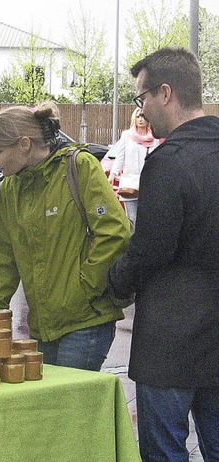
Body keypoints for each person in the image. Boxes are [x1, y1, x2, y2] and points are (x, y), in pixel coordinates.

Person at [108, 47, 219, 461]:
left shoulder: (169, 162)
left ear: (166, 93)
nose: (141, 108)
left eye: (141, 97)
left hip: (172, 341)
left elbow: (149, 251)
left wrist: (113, 284)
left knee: (165, 452)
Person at [0, 102, 130, 371]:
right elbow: (2, 257)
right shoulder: (10, 189)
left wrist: (84, 288)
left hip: (86, 321)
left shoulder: (80, 166)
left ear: (24, 144)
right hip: (43, 327)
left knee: (73, 409)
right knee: (52, 407)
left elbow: (114, 231)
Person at [107, 107, 161, 229]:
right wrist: (112, 175)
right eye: (138, 117)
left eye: (143, 117)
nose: (141, 120)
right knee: (132, 218)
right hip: (130, 182)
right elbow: (120, 157)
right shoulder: (127, 135)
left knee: (147, 217)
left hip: (148, 182)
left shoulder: (154, 137)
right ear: (134, 119)